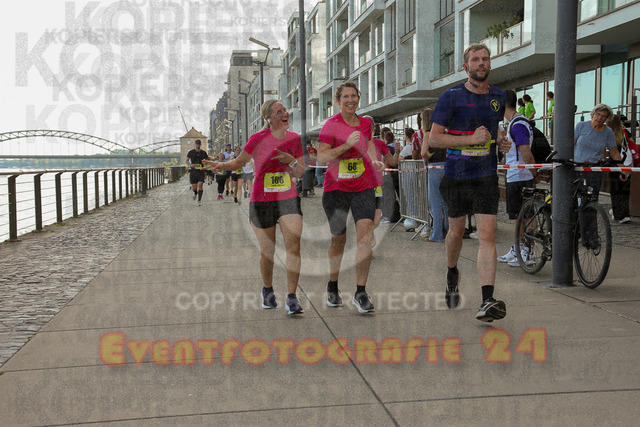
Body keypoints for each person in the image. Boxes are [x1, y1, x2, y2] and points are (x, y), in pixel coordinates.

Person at [203, 100, 307, 315]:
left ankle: (292, 297)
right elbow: (239, 163)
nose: (285, 113)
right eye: (279, 111)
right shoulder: (258, 139)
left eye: (285, 110)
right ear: (268, 118)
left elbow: (301, 172)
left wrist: (291, 161)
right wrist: (221, 165)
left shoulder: (294, 139)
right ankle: (267, 290)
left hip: (288, 198)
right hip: (262, 199)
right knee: (268, 252)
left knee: (294, 247)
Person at [429, 42, 507, 322]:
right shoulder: (451, 97)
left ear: (490, 64)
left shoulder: (499, 96)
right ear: (465, 67)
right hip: (457, 176)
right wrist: (470, 139)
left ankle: (487, 300)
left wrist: (502, 141)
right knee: (456, 232)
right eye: (475, 59)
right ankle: (452, 272)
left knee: (487, 236)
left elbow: (495, 131)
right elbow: (434, 139)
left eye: (485, 59)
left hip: (486, 176)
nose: (481, 63)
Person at [317, 80, 385, 314]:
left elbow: (369, 144)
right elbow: (322, 157)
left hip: (363, 186)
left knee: (364, 238)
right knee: (339, 240)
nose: (350, 100)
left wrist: (374, 160)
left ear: (359, 98)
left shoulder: (365, 123)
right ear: (338, 101)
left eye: (354, 96)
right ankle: (332, 286)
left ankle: (361, 292)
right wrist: (346, 145)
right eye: (345, 97)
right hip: (336, 190)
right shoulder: (331, 125)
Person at [497, 90, 537, 266]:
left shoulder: (518, 124)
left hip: (521, 176)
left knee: (525, 216)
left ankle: (527, 251)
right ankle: (518, 248)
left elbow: (526, 152)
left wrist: (534, 173)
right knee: (517, 216)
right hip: (516, 175)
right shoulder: (515, 122)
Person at [574, 104, 624, 202]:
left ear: (607, 119)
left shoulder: (608, 132)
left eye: (603, 116)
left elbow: (614, 152)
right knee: (574, 197)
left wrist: (622, 168)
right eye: (598, 114)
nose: (600, 118)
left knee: (592, 198)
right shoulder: (581, 125)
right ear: (593, 114)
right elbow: (572, 144)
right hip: (577, 166)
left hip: (595, 168)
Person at [362, 116, 398, 248]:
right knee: (365, 217)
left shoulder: (379, 144)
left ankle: (370, 233)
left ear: (374, 128)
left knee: (376, 220)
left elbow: (393, 162)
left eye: (369, 126)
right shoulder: (357, 143)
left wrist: (397, 151)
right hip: (362, 186)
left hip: (377, 185)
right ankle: (366, 245)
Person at [420, 107, 448, 242]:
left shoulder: (428, 134)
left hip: (434, 168)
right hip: (447, 168)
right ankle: (449, 231)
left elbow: (423, 153)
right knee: (446, 203)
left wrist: (429, 155)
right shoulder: (444, 132)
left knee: (435, 203)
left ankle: (437, 234)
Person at [607, 114, 632, 223]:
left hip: (615, 164)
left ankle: (618, 214)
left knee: (615, 190)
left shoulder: (609, 134)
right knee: (625, 190)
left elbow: (612, 152)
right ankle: (625, 214)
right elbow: (632, 144)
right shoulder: (626, 132)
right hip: (628, 164)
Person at [185, 139, 209, 206]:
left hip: (201, 171)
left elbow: (207, 161)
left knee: (200, 185)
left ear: (200, 144)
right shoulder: (191, 152)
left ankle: (199, 200)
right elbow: (186, 160)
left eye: (199, 144)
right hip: (193, 171)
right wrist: (190, 164)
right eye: (197, 144)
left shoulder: (203, 152)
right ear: (195, 144)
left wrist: (205, 165)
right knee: (194, 188)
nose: (198, 145)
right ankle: (195, 193)